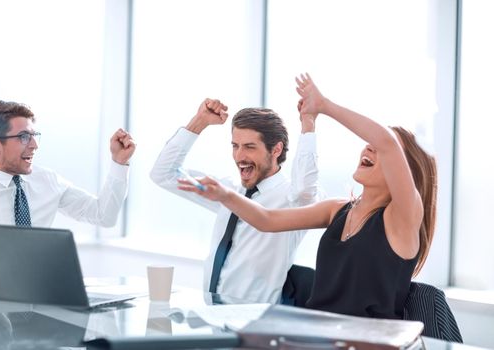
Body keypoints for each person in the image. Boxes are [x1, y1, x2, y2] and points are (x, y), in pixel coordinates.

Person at [178, 73, 438, 320]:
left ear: (404, 173)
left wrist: (325, 105)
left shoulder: (403, 218)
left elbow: (387, 143)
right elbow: (267, 220)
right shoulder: (338, 210)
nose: (369, 146)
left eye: (381, 150)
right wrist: (224, 195)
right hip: (318, 335)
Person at [150, 98, 322, 304]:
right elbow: (163, 174)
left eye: (249, 147)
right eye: (235, 146)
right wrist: (199, 122)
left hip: (254, 324)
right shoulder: (227, 189)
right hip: (212, 313)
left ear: (276, 150)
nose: (239, 156)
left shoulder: (293, 199)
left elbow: (305, 187)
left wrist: (308, 124)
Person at [0, 100, 136, 275]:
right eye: (24, 137)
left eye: (34, 135)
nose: (34, 145)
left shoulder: (47, 181)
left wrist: (119, 162)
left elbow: (103, 216)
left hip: (40, 294)